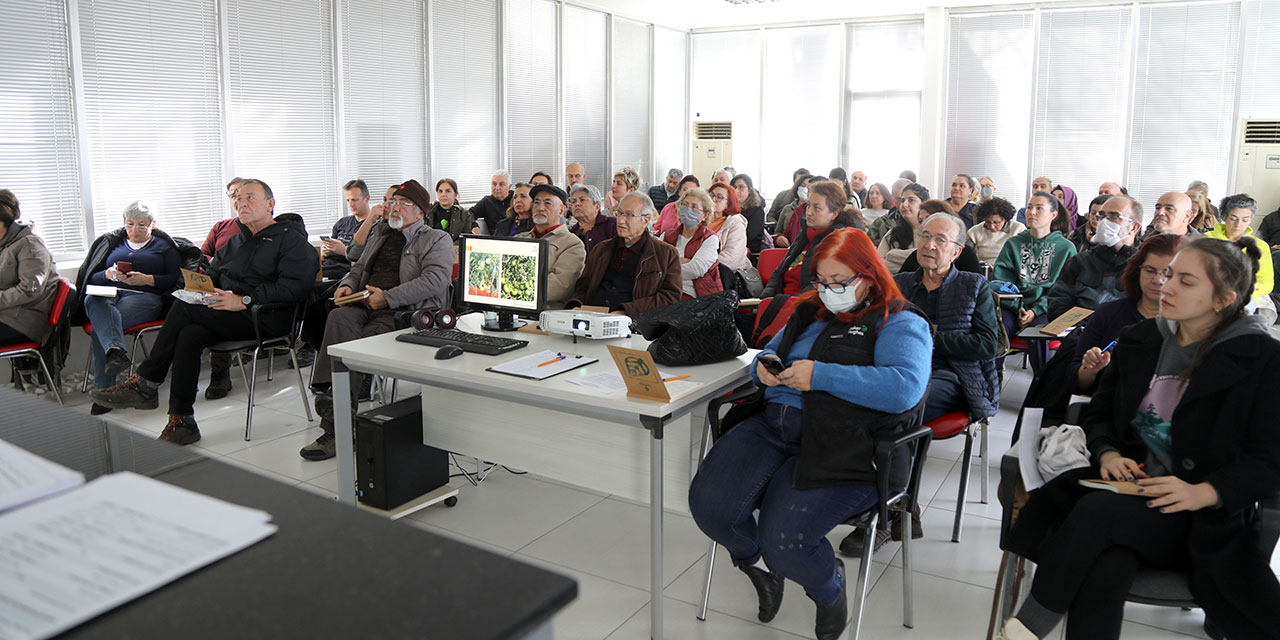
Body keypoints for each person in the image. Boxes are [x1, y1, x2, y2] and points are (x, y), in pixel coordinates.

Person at [997, 237, 1280, 640]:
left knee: (1096, 515)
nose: (1167, 287)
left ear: (1222, 299)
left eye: (1185, 281)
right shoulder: (1141, 339)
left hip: (1198, 515)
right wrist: (1108, 451)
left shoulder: (1262, 360)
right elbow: (1099, 412)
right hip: (1127, 492)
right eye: (1167, 275)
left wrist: (1203, 492)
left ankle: (1031, 624)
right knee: (1106, 565)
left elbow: (1270, 461)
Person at [688, 227, 932, 640]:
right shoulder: (810, 310)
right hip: (774, 426)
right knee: (710, 507)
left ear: (870, 274)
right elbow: (767, 355)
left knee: (786, 538)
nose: (828, 291)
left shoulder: (899, 321)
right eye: (822, 281)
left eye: (840, 282)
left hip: (845, 441)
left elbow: (904, 388)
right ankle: (760, 566)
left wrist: (821, 376)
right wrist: (762, 367)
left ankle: (827, 586)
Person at [91, 179, 319, 445]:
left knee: (184, 310)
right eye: (238, 199)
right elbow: (212, 275)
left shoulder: (291, 241)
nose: (241, 203)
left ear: (271, 204)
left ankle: (145, 382)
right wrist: (198, 287)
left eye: (250, 198)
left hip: (267, 317)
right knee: (189, 334)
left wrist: (244, 299)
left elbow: (296, 288)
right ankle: (181, 421)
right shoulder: (236, 242)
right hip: (228, 313)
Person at [300, 179, 452, 461]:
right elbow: (359, 267)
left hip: (405, 311)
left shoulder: (435, 239)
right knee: (338, 316)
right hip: (365, 301)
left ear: (420, 212)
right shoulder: (381, 231)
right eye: (392, 203)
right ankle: (329, 393)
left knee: (362, 343)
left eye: (403, 205)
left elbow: (435, 281)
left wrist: (389, 298)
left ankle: (337, 425)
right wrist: (348, 283)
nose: (394, 208)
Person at [75, 201, 183, 414]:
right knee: (92, 300)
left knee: (101, 326)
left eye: (141, 225)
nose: (134, 230)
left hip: (144, 297)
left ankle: (104, 388)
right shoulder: (113, 244)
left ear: (152, 224)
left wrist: (147, 279)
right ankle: (115, 353)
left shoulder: (164, 247)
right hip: (110, 294)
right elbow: (92, 278)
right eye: (130, 224)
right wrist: (107, 274)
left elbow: (174, 279)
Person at [1070, 234, 1179, 395]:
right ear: (1138, 271)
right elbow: (1078, 383)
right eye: (1150, 270)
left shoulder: (1189, 325)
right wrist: (1089, 370)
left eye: (1168, 274)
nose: (1158, 280)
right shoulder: (1108, 313)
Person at [566, 191, 681, 317]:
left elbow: (669, 297)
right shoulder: (601, 249)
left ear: (645, 220)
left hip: (635, 323)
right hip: (593, 317)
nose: (620, 220)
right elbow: (583, 286)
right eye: (619, 213)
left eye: (629, 215)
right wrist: (576, 305)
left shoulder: (665, 254)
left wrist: (627, 311)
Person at [1045, 195, 1143, 320]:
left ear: (1134, 227)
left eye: (1114, 216)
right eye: (1101, 216)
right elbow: (1058, 303)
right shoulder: (1080, 261)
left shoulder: (1144, 266)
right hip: (1080, 334)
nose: (1104, 222)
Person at [760, 181, 862, 298]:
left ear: (834, 213)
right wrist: (765, 299)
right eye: (808, 205)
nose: (808, 212)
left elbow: (820, 287)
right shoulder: (805, 233)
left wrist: (786, 303)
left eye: (817, 208)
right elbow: (779, 272)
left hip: (805, 306)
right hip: (782, 301)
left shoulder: (839, 242)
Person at [993, 192, 1077, 331]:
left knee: (1040, 331)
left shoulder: (1066, 248)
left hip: (1047, 308)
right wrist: (1018, 308)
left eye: (1039, 208)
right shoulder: (1013, 243)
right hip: (1013, 307)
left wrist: (1035, 311)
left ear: (1053, 215)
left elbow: (1064, 289)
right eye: (1029, 207)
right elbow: (1001, 282)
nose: (1031, 212)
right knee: (997, 327)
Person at [0, 189, 60, 351]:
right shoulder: (5, 243)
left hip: (21, 322)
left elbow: (29, 289)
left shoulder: (30, 245)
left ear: (5, 221)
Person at [516, 184, 586, 309]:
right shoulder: (519, 238)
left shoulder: (572, 244)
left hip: (544, 315)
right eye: (536, 203)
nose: (540, 208)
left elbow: (560, 286)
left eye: (547, 203)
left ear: (561, 210)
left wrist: (514, 289)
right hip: (511, 311)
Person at [1205, 193, 1274, 310]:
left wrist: (1246, 290)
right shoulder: (1206, 239)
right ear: (1224, 217)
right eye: (1233, 219)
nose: (1238, 225)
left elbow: (1266, 282)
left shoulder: (1260, 246)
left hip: (1245, 294)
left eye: (1245, 220)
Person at [662, 188, 722, 299]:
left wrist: (666, 266)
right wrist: (680, 261)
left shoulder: (710, 239)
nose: (687, 209)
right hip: (666, 292)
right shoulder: (667, 236)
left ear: (705, 215)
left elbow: (695, 270)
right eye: (684, 204)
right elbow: (651, 263)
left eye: (694, 207)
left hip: (697, 297)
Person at [897, 199, 982, 275]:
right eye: (920, 220)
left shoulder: (966, 256)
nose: (923, 224)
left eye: (928, 218)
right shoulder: (915, 258)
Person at [877, 183, 928, 274]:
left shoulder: (931, 231)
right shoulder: (894, 232)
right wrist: (912, 267)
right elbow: (877, 263)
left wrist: (892, 254)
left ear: (923, 204)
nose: (904, 204)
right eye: (903, 200)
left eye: (911, 200)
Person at [968, 197, 1026, 264]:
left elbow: (1024, 257)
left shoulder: (1018, 229)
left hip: (1009, 269)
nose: (992, 226)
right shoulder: (975, 231)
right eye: (988, 222)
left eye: (996, 222)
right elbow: (966, 254)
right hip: (984, 269)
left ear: (1005, 219)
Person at [707, 182, 749, 272]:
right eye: (711, 195)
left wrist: (702, 263)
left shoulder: (736, 223)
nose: (713, 199)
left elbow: (731, 257)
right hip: (698, 268)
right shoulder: (701, 219)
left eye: (719, 197)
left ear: (729, 203)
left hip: (724, 272)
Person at [201, 177, 245, 259]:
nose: (237, 200)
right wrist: (214, 262)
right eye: (233, 196)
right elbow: (202, 255)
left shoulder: (266, 228)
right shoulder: (220, 226)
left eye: (240, 195)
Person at [568, 184, 617, 255]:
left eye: (582, 200)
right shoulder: (571, 233)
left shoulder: (612, 224)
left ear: (597, 207)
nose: (577, 204)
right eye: (574, 201)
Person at [774, 174, 820, 248]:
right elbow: (783, 234)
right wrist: (779, 238)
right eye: (808, 189)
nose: (809, 213)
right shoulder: (798, 211)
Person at [867, 178, 913, 246]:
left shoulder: (924, 223)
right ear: (892, 198)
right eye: (898, 199)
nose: (904, 204)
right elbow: (868, 245)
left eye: (910, 200)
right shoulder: (880, 223)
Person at [731, 174, 768, 255]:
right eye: (734, 187)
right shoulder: (729, 209)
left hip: (748, 252)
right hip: (729, 247)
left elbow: (748, 236)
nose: (736, 191)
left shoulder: (757, 211)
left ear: (750, 190)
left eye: (741, 187)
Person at [468, 170, 512, 234]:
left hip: (514, 239)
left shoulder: (516, 199)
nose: (497, 188)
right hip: (495, 240)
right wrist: (474, 226)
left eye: (501, 184)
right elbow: (469, 213)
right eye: (494, 184)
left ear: (509, 186)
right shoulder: (487, 201)